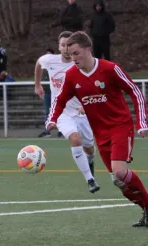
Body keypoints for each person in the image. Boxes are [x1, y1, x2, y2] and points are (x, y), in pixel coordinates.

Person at [47, 31, 148, 227]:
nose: (72, 58)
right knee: (119, 180)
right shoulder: (72, 75)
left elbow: (134, 91)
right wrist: (52, 119)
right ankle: (147, 208)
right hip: (100, 133)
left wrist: (141, 122)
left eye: (76, 53)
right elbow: (60, 99)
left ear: (88, 50)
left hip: (120, 127)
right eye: (70, 54)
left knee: (119, 171)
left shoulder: (110, 69)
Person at [35, 31, 100, 194]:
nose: (65, 49)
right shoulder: (49, 60)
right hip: (62, 112)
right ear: (58, 46)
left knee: (90, 149)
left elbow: (93, 83)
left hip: (81, 112)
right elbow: (38, 63)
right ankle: (90, 180)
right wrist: (37, 85)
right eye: (63, 45)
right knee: (75, 139)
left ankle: (90, 162)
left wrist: (86, 103)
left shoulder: (79, 64)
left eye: (68, 46)